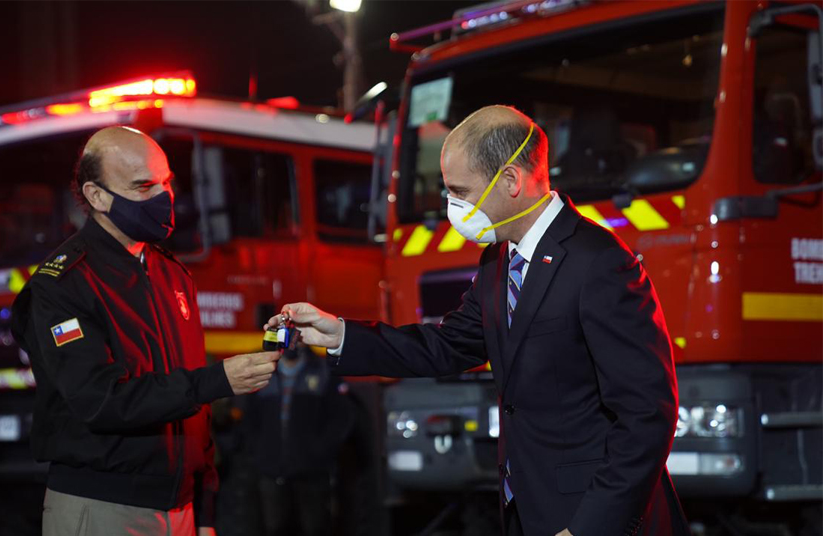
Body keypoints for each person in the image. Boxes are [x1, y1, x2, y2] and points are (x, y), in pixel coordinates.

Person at [267, 106, 691, 536]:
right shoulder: (498, 259)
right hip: (530, 510)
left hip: (588, 518)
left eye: (460, 191)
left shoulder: (597, 261)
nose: (452, 207)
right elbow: (447, 345)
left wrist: (589, 528)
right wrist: (339, 333)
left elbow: (646, 414)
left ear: (510, 181)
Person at [11, 126, 280, 536]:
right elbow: (101, 401)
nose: (164, 197)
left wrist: (204, 507)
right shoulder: (62, 285)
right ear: (97, 196)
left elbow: (194, 411)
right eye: (144, 186)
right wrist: (216, 379)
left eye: (167, 182)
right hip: (104, 509)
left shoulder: (171, 273)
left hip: (180, 509)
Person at [241, 344, 352, 536]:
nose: (293, 341)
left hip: (312, 472)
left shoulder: (323, 371)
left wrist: (321, 452)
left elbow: (341, 417)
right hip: (271, 470)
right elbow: (249, 417)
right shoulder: (264, 373)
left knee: (315, 527)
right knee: (275, 528)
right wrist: (258, 452)